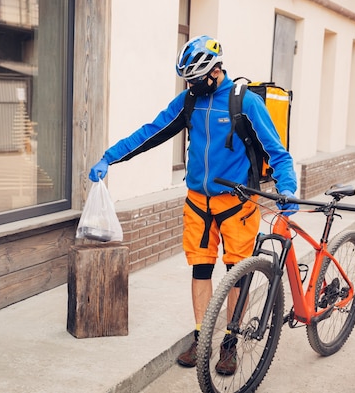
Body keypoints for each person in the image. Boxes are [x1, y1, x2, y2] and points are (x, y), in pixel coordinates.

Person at [88, 35, 298, 375]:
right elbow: (150, 132)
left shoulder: (245, 103)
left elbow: (278, 153)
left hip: (238, 203)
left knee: (235, 274)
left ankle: (230, 341)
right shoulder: (189, 101)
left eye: (195, 79)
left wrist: (287, 189)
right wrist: (109, 158)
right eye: (186, 79)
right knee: (200, 269)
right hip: (198, 203)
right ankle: (202, 337)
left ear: (215, 72)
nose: (190, 85)